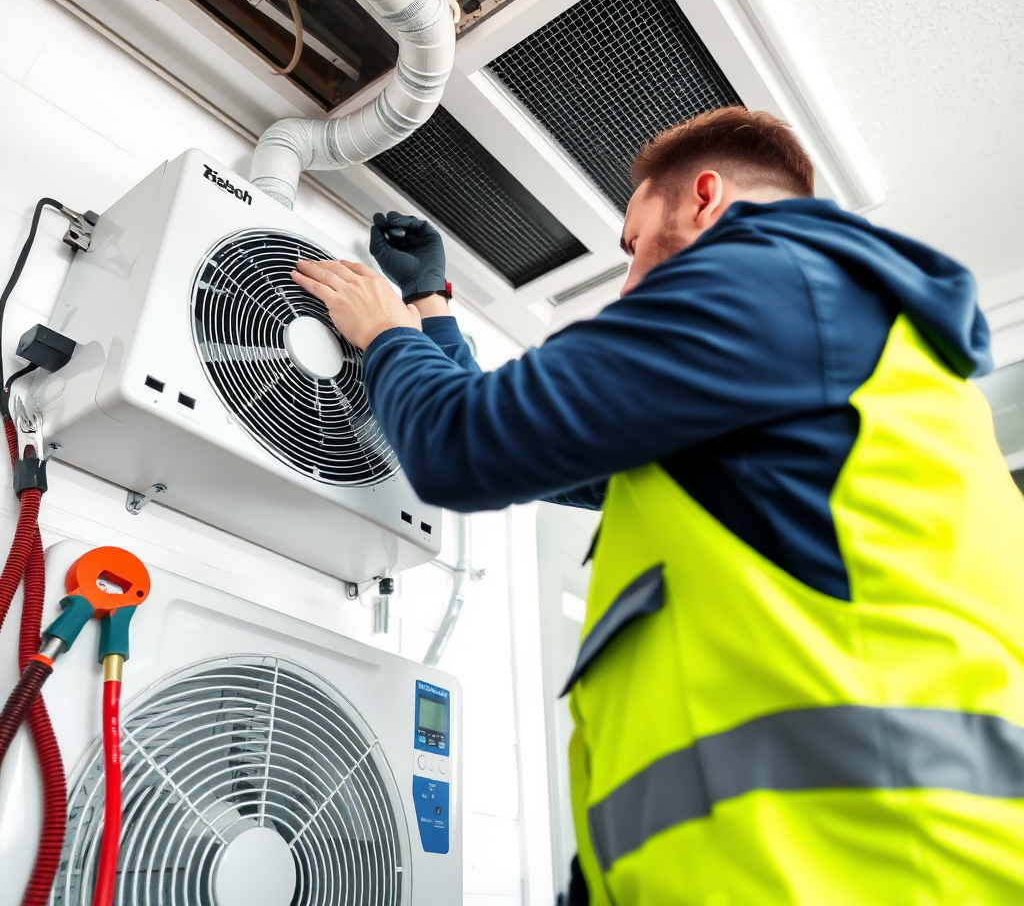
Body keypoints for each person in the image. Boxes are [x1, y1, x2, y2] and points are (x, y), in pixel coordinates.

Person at [292, 106, 1024, 906]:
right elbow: (523, 441)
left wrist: (386, 333)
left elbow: (461, 446)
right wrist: (429, 302)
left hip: (847, 870)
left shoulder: (771, 280)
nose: (633, 283)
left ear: (704, 197)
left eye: (635, 244)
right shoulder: (860, 380)